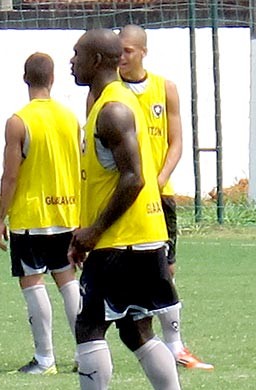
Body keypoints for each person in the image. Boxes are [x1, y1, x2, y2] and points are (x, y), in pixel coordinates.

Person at [69, 28, 182, 390]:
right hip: (140, 237)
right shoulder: (113, 102)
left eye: (77, 55)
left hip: (121, 241)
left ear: (97, 60)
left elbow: (132, 179)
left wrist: (94, 231)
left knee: (89, 325)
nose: (71, 62)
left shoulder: (113, 110)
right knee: (136, 330)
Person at [117, 24, 213, 371]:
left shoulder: (165, 88)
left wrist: (160, 178)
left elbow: (176, 141)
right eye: (118, 50)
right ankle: (128, 335)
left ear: (143, 51)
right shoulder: (109, 90)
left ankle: (175, 345)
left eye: (127, 50)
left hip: (159, 195)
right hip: (122, 196)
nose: (121, 57)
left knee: (165, 268)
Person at [0, 52, 81, 375]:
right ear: (53, 79)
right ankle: (85, 353)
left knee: (32, 281)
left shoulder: (19, 121)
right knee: (67, 280)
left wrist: (1, 216)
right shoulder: (70, 118)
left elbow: (11, 174)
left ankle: (45, 359)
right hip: (68, 212)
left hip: (31, 217)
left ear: (25, 78)